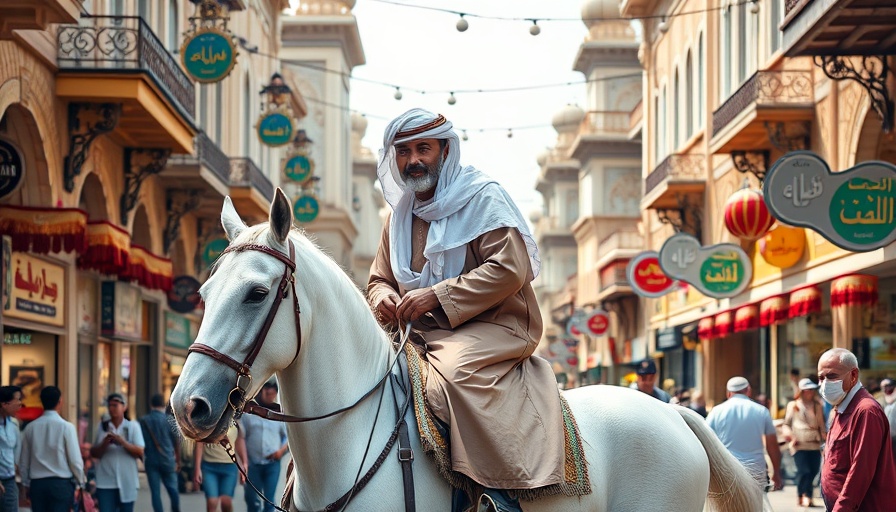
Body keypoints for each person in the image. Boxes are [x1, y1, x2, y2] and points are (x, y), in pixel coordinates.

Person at [366, 108, 565, 511]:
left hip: (495, 324)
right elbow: (378, 278)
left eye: (424, 148)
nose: (414, 160)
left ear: (445, 150)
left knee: (453, 374)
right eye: (403, 152)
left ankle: (499, 491)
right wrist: (382, 297)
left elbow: (511, 269)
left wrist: (436, 296)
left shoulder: (482, 198)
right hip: (418, 332)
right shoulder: (398, 217)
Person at [817, 348, 896, 510]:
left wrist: (841, 508)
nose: (824, 384)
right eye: (820, 378)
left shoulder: (866, 411)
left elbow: (861, 471)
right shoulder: (840, 407)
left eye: (831, 376)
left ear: (853, 375)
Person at [706, 376, 783, 490]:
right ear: (749, 391)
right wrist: (776, 472)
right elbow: (772, 445)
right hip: (755, 469)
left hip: (726, 467)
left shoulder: (716, 411)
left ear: (728, 393)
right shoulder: (762, 411)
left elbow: (706, 441)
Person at [19, 386, 86, 512]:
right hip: (61, 484)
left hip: (37, 484)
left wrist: (25, 483)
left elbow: (24, 461)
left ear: (41, 401)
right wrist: (81, 481)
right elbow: (75, 460)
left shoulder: (30, 428)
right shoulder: (67, 427)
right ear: (60, 401)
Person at [90, 393, 144, 512]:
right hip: (105, 481)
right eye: (109, 405)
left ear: (124, 407)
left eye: (115, 405)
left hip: (127, 481)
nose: (112, 408)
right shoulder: (102, 427)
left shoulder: (132, 426)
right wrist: (105, 443)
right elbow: (94, 453)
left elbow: (140, 451)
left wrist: (122, 442)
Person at [240, 381, 288, 512]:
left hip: (272, 464)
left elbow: (288, 438)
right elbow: (241, 437)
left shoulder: (279, 413)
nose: (269, 396)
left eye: (272, 393)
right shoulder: (250, 412)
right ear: (261, 392)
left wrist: (281, 451)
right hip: (253, 464)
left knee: (269, 500)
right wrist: (244, 461)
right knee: (252, 500)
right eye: (267, 393)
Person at [782, 378, 826, 507]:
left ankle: (808, 495)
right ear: (801, 391)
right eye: (807, 390)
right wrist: (790, 436)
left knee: (813, 471)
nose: (810, 393)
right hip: (799, 444)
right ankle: (803, 495)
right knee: (804, 471)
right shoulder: (794, 405)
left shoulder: (818, 405)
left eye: (812, 390)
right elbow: (786, 424)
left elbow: (821, 425)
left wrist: (826, 438)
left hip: (814, 443)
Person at [139, 394, 181, 512]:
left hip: (151, 460)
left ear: (151, 405)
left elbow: (140, 442)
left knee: (155, 492)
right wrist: (178, 460)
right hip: (167, 458)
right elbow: (176, 442)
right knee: (173, 489)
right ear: (164, 404)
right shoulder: (170, 420)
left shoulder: (144, 420)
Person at [193, 424, 247, 512]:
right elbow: (199, 443)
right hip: (209, 466)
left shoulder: (234, 421)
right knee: (212, 502)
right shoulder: (209, 419)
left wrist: (244, 463)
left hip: (229, 467)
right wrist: (197, 468)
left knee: (226, 501)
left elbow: (239, 441)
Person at [0, 386, 22, 512]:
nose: (20, 404)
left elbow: (16, 449)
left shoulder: (14, 424)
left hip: (9, 481)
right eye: (17, 400)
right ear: (4, 404)